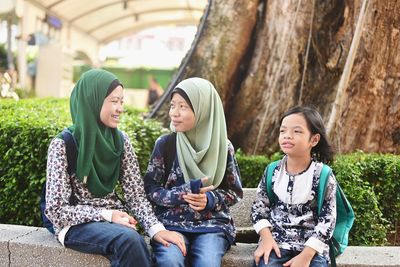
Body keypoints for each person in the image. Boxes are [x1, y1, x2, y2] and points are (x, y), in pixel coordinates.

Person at [44, 69, 185, 267]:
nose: (120, 108)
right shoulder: (63, 145)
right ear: (93, 100)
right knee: (129, 241)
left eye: (121, 101)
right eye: (113, 101)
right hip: (75, 225)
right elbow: (56, 210)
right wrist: (106, 215)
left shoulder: (120, 141)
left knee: (141, 244)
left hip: (115, 222)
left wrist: (156, 229)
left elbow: (135, 195)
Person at [143, 77, 243, 267]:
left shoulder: (223, 147)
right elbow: (150, 189)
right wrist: (181, 195)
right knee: (170, 262)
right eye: (173, 105)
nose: (174, 113)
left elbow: (235, 192)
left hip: (212, 227)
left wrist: (210, 199)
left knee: (207, 262)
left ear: (204, 109)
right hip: (171, 225)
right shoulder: (165, 144)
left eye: (183, 107)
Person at [251, 106, 336, 267]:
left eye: (297, 131)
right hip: (276, 244)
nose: (287, 136)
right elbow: (258, 209)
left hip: (312, 249)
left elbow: (328, 221)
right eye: (283, 131)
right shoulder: (272, 171)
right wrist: (266, 239)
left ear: (314, 140)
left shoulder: (323, 175)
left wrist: (306, 256)